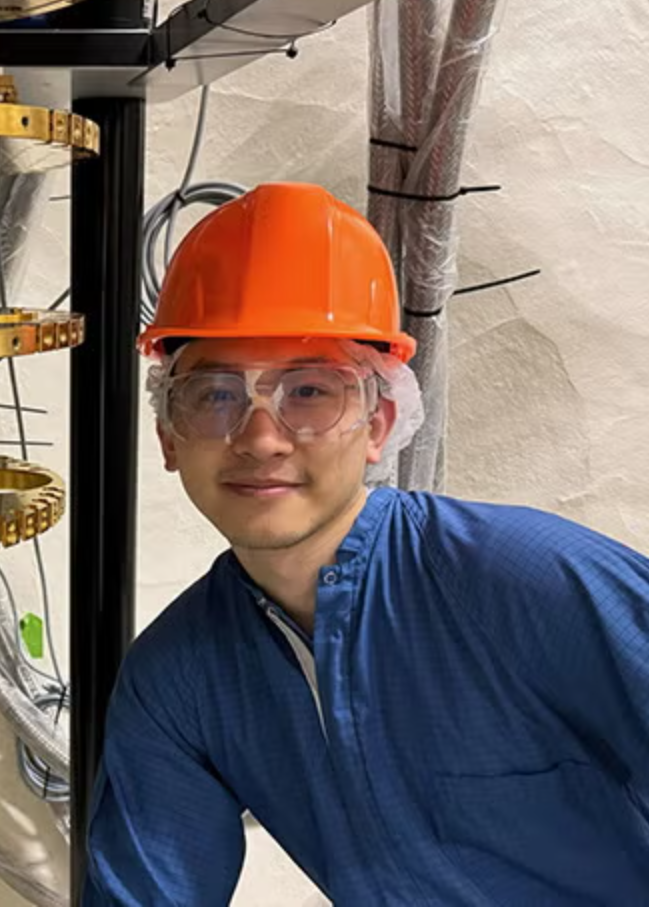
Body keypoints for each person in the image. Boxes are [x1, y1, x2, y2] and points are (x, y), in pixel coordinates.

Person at [84, 182, 649, 905]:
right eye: (216, 395)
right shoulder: (179, 681)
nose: (259, 438)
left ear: (379, 423)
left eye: (310, 391)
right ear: (167, 435)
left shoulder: (522, 580)